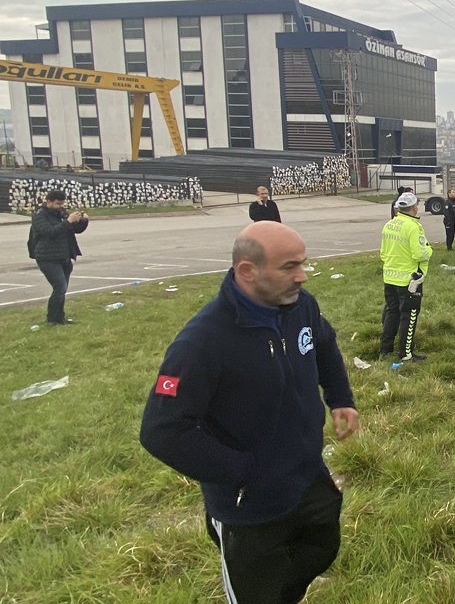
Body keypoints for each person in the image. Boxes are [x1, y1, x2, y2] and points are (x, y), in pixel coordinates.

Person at [139, 221, 359, 604]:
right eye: (289, 267)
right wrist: (243, 474)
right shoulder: (203, 341)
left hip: (307, 475)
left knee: (321, 546)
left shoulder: (299, 306)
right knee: (257, 591)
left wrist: (340, 397)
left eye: (303, 264)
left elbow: (323, 344)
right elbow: (162, 429)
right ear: (247, 271)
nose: (302, 276)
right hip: (248, 503)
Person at [379, 191, 432, 362]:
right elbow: (420, 254)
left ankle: (385, 349)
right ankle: (406, 353)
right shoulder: (413, 227)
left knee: (391, 312)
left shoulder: (389, 224)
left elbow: (383, 253)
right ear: (414, 208)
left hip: (389, 277)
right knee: (409, 316)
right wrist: (429, 250)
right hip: (410, 280)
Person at [28, 190, 89, 325]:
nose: (61, 206)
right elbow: (49, 232)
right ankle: (52, 319)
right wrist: (68, 221)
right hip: (47, 257)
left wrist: (83, 221)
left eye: (62, 203)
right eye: (57, 204)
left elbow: (74, 229)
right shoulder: (40, 216)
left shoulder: (61, 213)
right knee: (60, 287)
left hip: (64, 256)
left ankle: (60, 318)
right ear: (48, 202)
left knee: (63, 289)